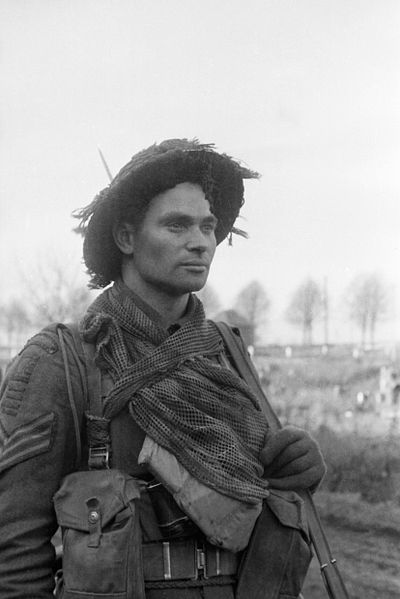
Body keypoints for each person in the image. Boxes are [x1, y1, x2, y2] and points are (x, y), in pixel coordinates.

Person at [0, 138, 325, 598]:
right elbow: (13, 548)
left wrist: (294, 464)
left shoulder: (225, 352)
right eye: (177, 225)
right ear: (127, 237)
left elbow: (250, 487)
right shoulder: (65, 361)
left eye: (208, 226)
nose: (200, 242)